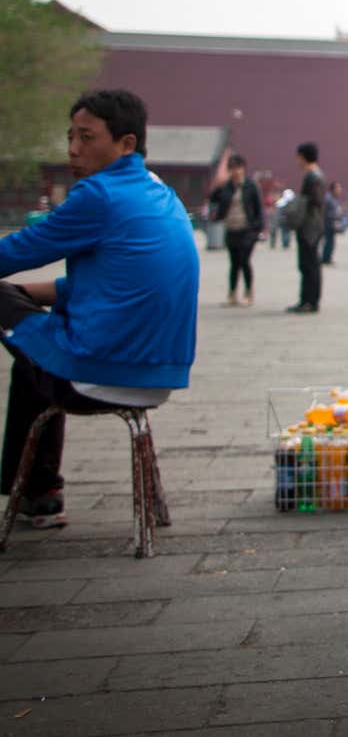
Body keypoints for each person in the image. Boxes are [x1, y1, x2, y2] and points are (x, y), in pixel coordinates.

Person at [0, 89, 199, 526]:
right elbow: (114, 284)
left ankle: (38, 491)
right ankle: (41, 493)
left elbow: (16, 250)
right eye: (70, 136)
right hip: (156, 374)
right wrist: (27, 293)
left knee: (22, 330)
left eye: (87, 137)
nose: (73, 148)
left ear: (126, 143)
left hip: (103, 370)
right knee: (31, 362)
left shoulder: (99, 195)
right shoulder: (158, 191)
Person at [207, 154, 263, 306]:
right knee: (234, 263)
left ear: (243, 168)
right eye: (232, 168)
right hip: (231, 229)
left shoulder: (250, 186)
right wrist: (218, 185)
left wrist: (259, 228)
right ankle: (232, 294)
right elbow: (213, 199)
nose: (235, 171)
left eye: (237, 168)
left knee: (244, 260)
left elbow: (258, 208)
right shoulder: (226, 187)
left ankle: (248, 292)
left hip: (247, 229)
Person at [288, 142, 325, 313]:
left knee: (308, 264)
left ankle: (309, 301)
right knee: (310, 264)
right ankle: (309, 299)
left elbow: (314, 200)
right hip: (314, 224)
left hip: (309, 225)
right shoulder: (316, 174)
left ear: (302, 156)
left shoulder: (312, 176)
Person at [321, 180, 343, 265]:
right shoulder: (328, 198)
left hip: (332, 222)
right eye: (338, 188)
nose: (340, 189)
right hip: (328, 222)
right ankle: (325, 258)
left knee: (331, 241)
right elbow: (324, 212)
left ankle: (327, 257)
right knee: (328, 241)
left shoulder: (334, 198)